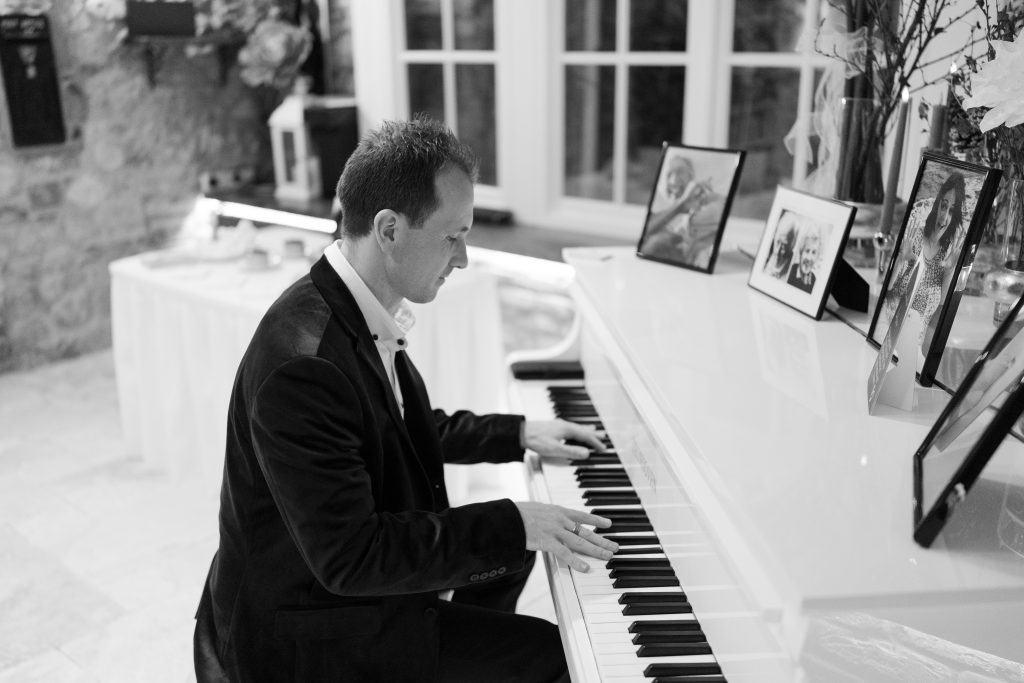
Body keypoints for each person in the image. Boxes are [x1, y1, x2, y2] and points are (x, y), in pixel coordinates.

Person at [193, 116, 618, 683]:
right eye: (452, 236)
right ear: (389, 229)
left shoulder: (354, 306)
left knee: (506, 560)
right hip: (309, 639)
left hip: (336, 599)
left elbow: (390, 430)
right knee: (556, 657)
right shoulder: (305, 366)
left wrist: (515, 434)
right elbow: (351, 557)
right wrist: (515, 522)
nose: (463, 257)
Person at [883, 171, 967, 341]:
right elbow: (887, 290)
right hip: (891, 332)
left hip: (917, 343)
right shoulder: (915, 237)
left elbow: (942, 304)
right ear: (936, 206)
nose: (944, 216)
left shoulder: (946, 253)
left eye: (951, 211)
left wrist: (950, 270)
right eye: (943, 206)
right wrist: (900, 260)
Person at [639, 154, 723, 268]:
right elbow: (647, 234)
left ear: (691, 177)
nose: (673, 180)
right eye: (669, 174)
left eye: (680, 172)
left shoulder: (706, 209)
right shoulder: (659, 210)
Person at [763, 211, 798, 280]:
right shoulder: (765, 255)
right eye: (777, 242)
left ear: (792, 245)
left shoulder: (793, 272)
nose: (777, 251)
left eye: (783, 245)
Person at [786, 224, 821, 293]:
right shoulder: (790, 272)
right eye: (807, 251)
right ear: (801, 252)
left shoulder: (813, 280)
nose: (809, 258)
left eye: (813, 253)